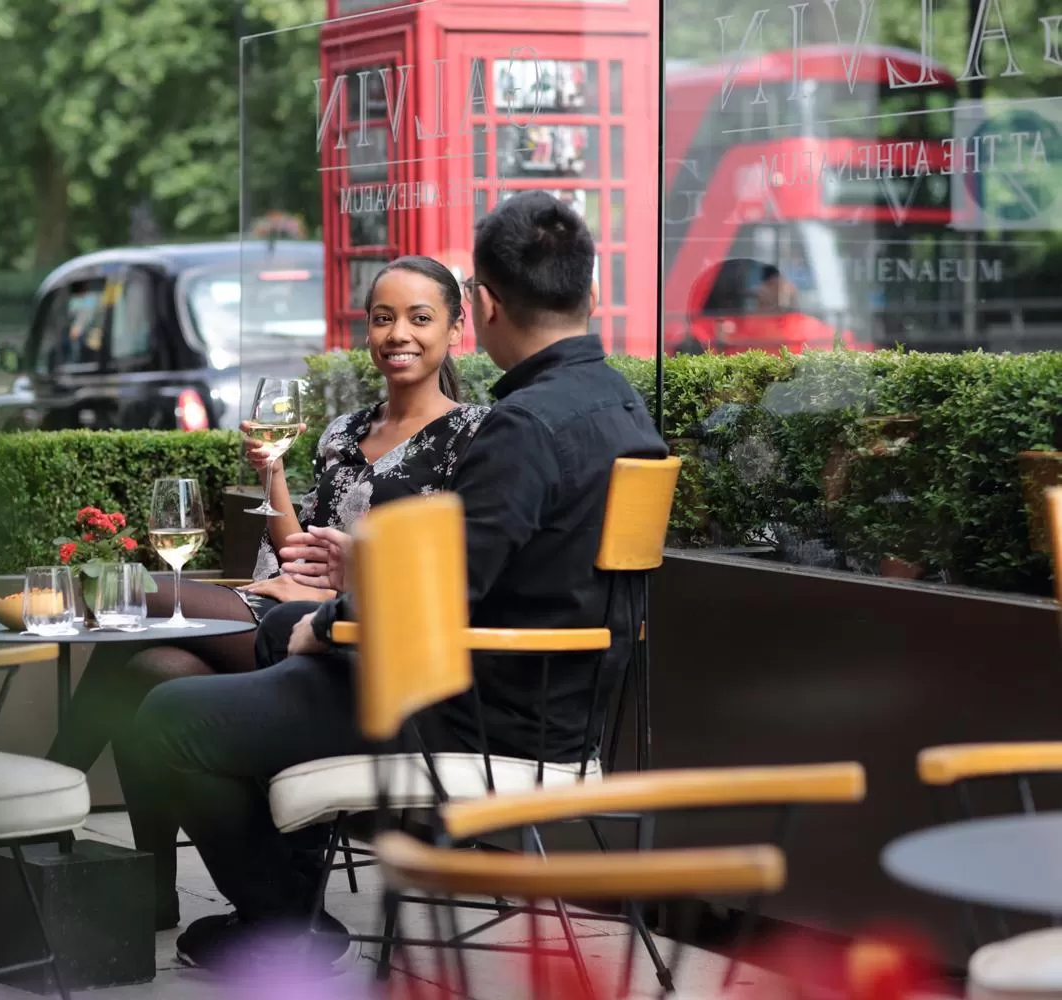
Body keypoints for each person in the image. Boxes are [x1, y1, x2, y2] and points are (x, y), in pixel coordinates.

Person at [129, 191, 669, 973]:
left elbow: (451, 596)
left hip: (468, 714)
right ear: (590, 292)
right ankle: (288, 905)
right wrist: (358, 579)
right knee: (238, 668)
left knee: (171, 714)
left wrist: (323, 624)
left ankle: (286, 930)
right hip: (555, 710)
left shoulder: (522, 425)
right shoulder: (622, 406)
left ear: (479, 307)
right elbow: (501, 570)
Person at [50, 255, 489, 931]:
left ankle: (52, 794)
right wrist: (276, 477)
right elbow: (300, 544)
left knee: (143, 593)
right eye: (382, 318)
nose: (397, 333)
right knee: (148, 662)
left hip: (350, 642)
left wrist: (342, 583)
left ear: (456, 329)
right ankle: (154, 891)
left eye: (419, 317)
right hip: (291, 612)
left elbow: (444, 573)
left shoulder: (474, 438)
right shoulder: (346, 432)